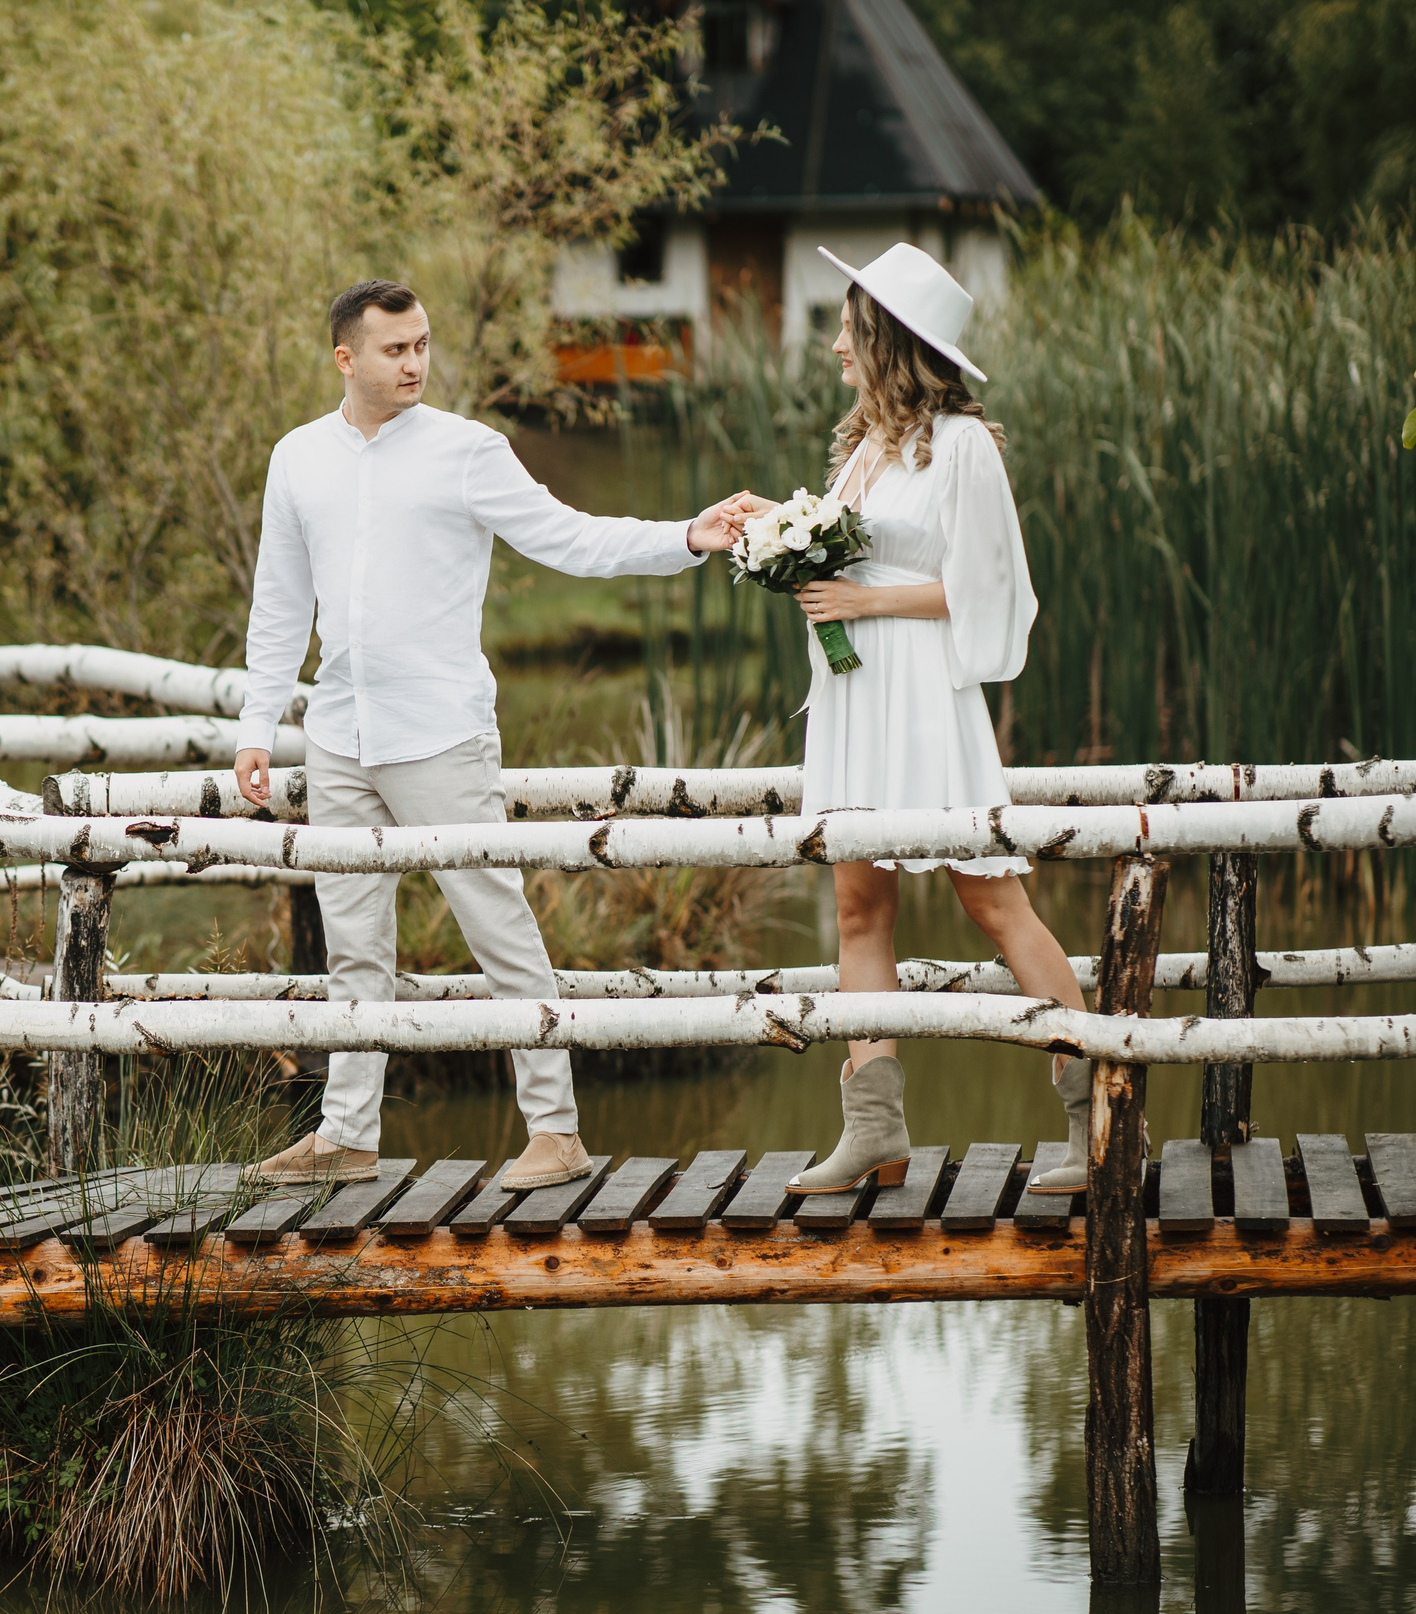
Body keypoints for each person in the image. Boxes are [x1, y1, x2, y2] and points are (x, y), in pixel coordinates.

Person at [233, 278, 749, 1189]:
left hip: (441, 733)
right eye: (395, 349)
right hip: (340, 733)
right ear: (346, 359)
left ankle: (557, 1132)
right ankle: (348, 1136)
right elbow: (279, 601)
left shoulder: (468, 451)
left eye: (423, 344)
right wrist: (256, 724)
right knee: (353, 946)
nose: (415, 362)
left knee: (498, 926)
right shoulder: (297, 458)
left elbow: (570, 538)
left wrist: (688, 536)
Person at [747, 243, 1094, 1197]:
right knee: (858, 906)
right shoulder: (864, 448)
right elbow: (855, 554)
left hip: (924, 699)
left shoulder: (964, 447)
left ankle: (1095, 1118)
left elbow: (990, 592)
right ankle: (875, 1132)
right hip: (856, 699)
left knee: (991, 898)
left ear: (890, 341)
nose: (834, 348)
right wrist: (771, 528)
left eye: (849, 330)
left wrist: (867, 608)